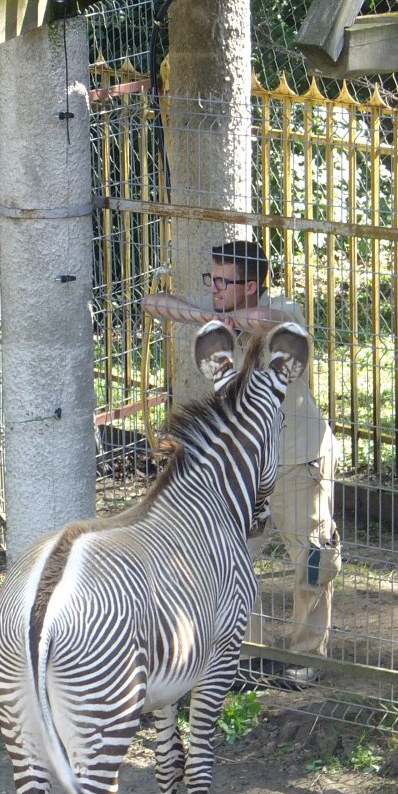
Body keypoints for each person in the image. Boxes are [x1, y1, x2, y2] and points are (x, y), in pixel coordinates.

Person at [144, 240, 341, 688]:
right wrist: (206, 315)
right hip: (241, 471)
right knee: (228, 561)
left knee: (313, 558)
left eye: (224, 282)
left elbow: (269, 320)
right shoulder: (216, 302)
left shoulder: (280, 308)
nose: (214, 288)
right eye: (210, 280)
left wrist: (229, 322)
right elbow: (151, 302)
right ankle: (244, 656)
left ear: (251, 284)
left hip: (298, 460)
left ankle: (306, 659)